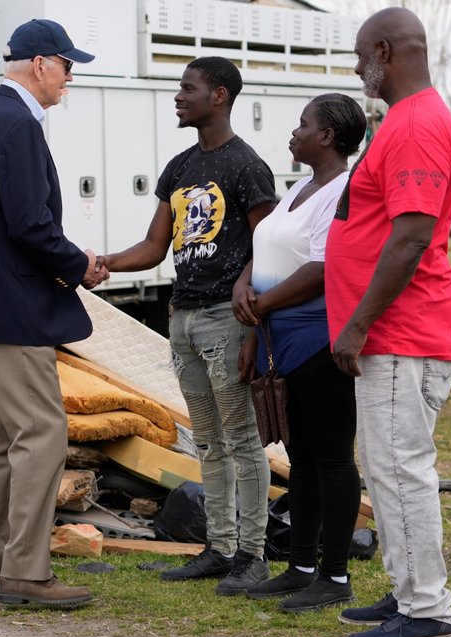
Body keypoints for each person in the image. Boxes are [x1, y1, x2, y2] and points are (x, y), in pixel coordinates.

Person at [0, 18, 108, 610]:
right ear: (40, 63)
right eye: (67, 66)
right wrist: (80, 264)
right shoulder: (16, 123)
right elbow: (29, 224)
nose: (69, 79)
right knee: (40, 434)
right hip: (13, 305)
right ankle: (26, 573)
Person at [98, 57, 277, 596]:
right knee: (208, 440)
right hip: (184, 319)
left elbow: (266, 246)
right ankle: (219, 549)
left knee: (242, 438)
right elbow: (155, 246)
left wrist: (247, 302)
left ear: (218, 95)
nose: (178, 96)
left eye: (188, 88)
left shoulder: (247, 166)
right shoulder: (178, 168)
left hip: (226, 319)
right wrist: (101, 263)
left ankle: (253, 555)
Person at [325, 7, 451, 637]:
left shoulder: (414, 125)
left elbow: (409, 239)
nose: (356, 69)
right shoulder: (408, 120)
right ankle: (408, 586)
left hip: (401, 332)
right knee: (387, 470)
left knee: (400, 470)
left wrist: (356, 326)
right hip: (397, 332)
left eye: (359, 55)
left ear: (384, 50)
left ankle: (428, 611)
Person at [230, 94, 366, 612]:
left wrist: (260, 304)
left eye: (303, 125)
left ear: (328, 136)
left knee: (332, 457)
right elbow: (264, 246)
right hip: (278, 338)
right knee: (302, 458)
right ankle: (301, 567)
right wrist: (246, 290)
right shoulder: (298, 189)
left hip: (318, 338)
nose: (294, 132)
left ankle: (335, 576)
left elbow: (323, 268)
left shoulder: (342, 191)